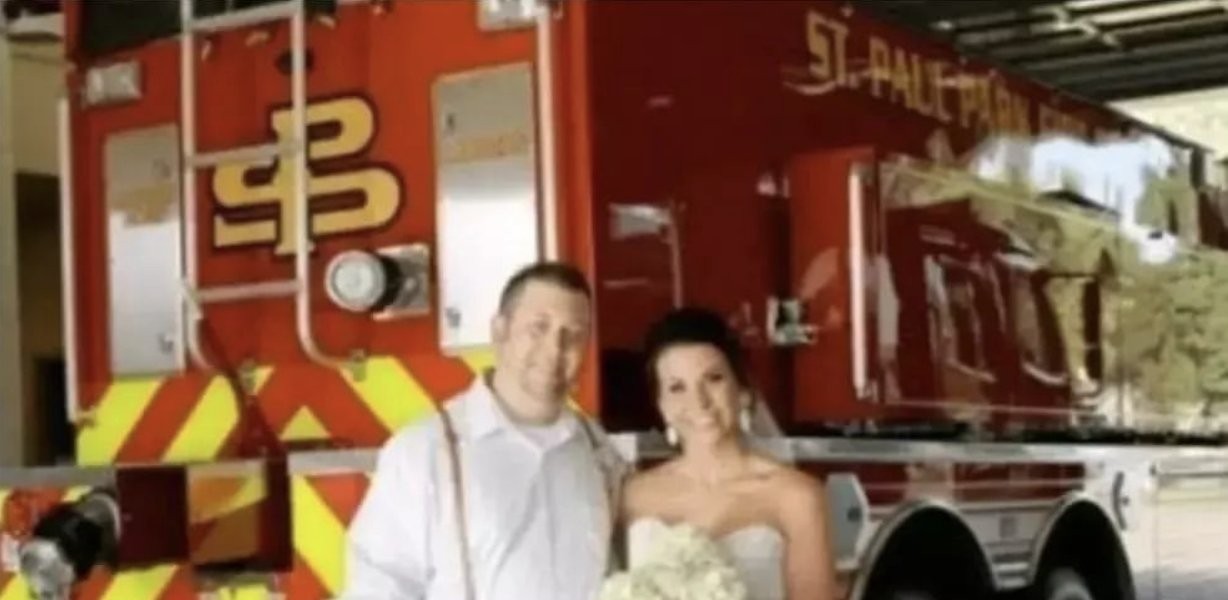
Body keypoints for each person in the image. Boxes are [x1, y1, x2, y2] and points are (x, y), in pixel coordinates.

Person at [340, 262, 626, 600]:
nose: (554, 349)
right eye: (538, 328)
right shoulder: (427, 451)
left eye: (573, 335)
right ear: (499, 331)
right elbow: (379, 585)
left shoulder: (597, 451)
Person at [620, 307, 837, 600]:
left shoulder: (797, 496)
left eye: (713, 378)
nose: (699, 401)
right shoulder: (634, 495)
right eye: (677, 387)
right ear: (662, 406)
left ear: (743, 391)